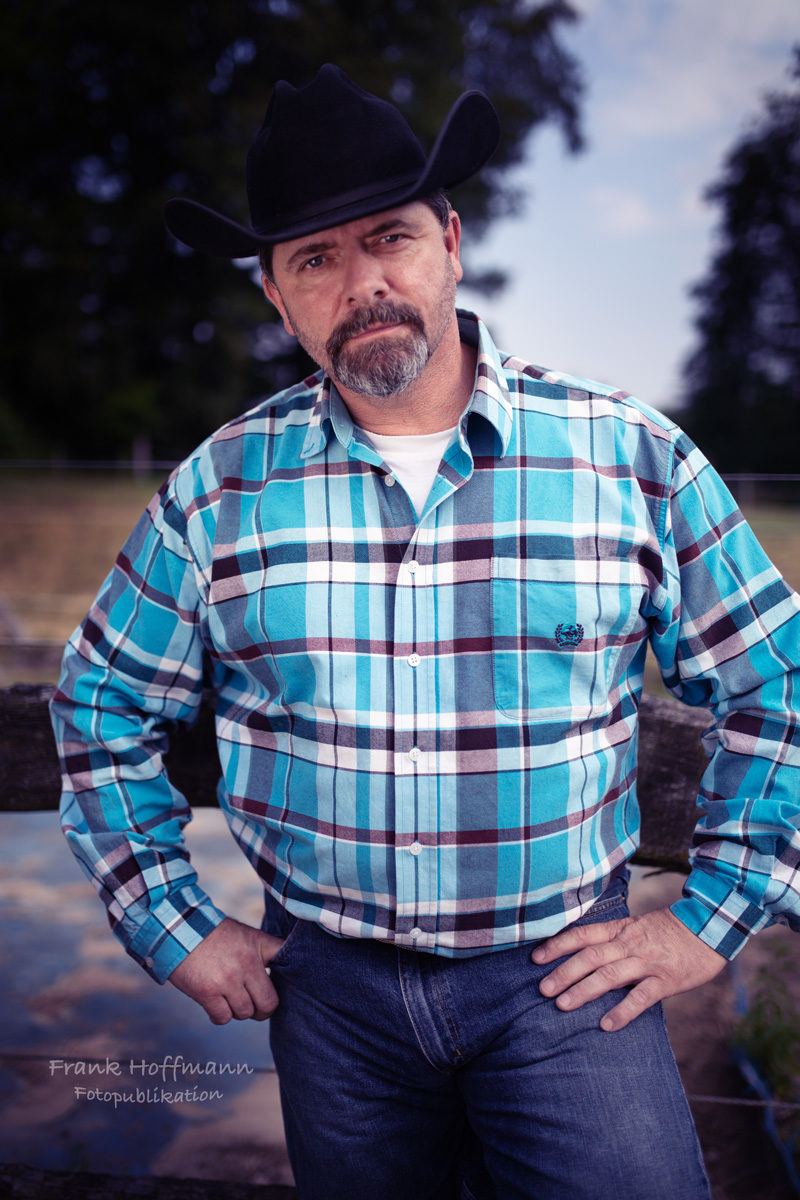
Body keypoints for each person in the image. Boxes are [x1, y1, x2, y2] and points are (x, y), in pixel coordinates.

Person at [51, 64, 800, 1200]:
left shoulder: (624, 456)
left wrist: (708, 920)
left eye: (389, 237)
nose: (363, 284)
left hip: (564, 985)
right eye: (315, 258)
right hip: (330, 1001)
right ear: (276, 296)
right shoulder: (217, 491)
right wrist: (173, 923)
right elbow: (98, 703)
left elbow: (777, 682)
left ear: (449, 239)